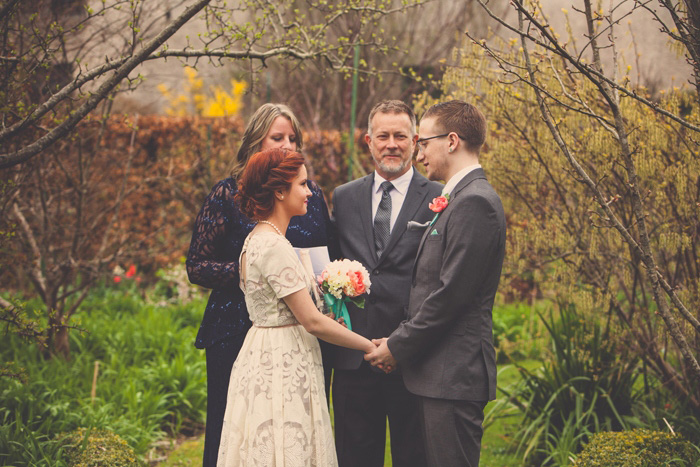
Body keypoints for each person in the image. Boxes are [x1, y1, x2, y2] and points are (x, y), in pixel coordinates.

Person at [186, 103, 334, 467]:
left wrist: (328, 294)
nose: (286, 145)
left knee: (298, 431)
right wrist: (252, 274)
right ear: (256, 141)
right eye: (277, 137)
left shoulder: (310, 196)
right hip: (236, 326)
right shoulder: (227, 194)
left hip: (300, 329)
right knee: (234, 431)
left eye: (292, 139)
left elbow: (324, 256)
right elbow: (196, 265)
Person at [366, 100, 506, 467]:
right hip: (436, 374)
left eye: (424, 142)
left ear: (452, 141)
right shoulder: (458, 197)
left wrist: (397, 345)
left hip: (453, 376)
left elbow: (450, 295)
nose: (419, 152)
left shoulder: (475, 203)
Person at [217, 148, 375, 466]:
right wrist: (368, 346)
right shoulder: (275, 246)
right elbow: (312, 322)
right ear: (279, 191)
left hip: (264, 349)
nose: (309, 192)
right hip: (281, 360)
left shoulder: (255, 239)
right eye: (302, 184)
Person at [330, 100, 442, 466]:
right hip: (354, 359)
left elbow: (441, 278)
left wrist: (403, 343)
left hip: (412, 358)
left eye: (400, 136)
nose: (391, 144)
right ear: (368, 141)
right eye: (383, 136)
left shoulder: (440, 198)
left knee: (415, 458)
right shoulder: (344, 197)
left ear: (415, 142)